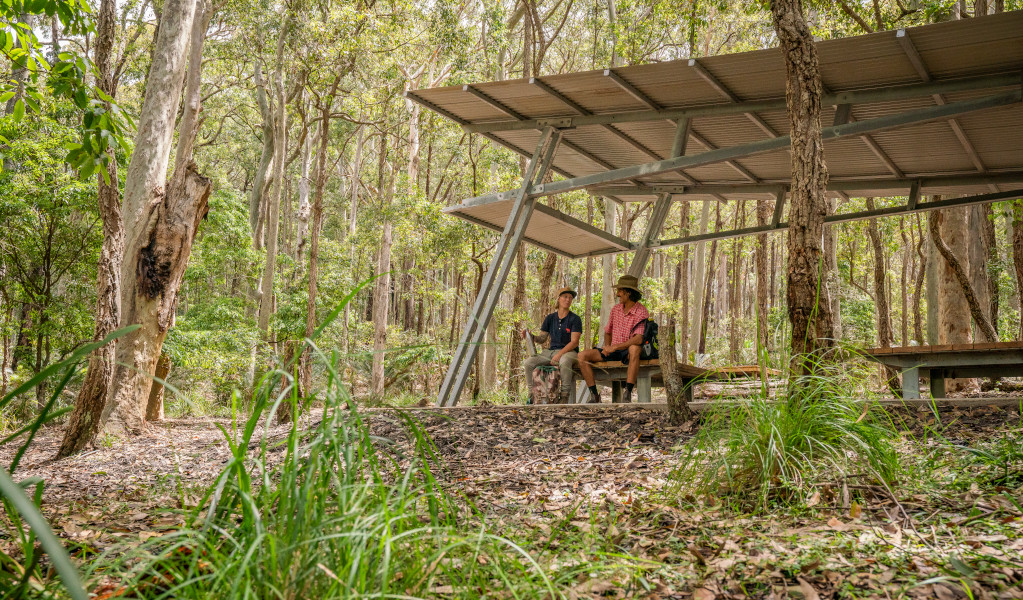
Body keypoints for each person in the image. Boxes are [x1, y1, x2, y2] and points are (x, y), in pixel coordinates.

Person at [577, 274, 649, 403]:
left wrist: (614, 347)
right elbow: (608, 331)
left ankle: (627, 392)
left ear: (628, 293)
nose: (617, 294)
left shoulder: (641, 311)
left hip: (627, 352)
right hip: (614, 350)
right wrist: (608, 347)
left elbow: (638, 339)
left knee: (634, 349)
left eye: (620, 291)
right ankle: (594, 395)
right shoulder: (616, 309)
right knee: (582, 355)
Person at [522, 287, 582, 404]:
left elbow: (574, 342)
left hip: (570, 352)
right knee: (528, 363)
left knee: (564, 361)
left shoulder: (575, 319)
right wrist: (531, 336)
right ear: (559, 299)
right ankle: (531, 394)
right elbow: (542, 338)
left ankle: (564, 396)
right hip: (550, 352)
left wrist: (559, 355)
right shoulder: (550, 318)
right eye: (565, 297)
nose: (568, 300)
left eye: (570, 298)